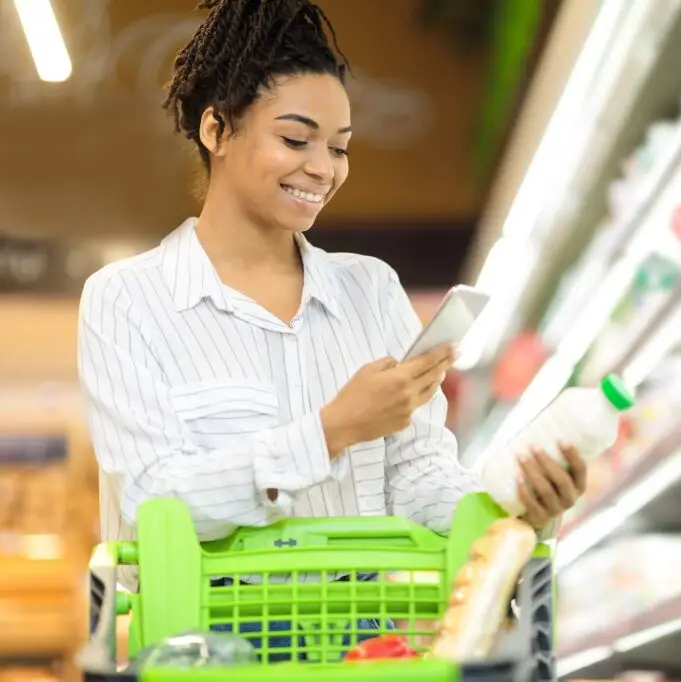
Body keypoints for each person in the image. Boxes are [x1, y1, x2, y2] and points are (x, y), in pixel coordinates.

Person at [77, 0, 587, 640]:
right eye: (295, 140)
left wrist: (515, 510)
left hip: (367, 642)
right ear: (216, 129)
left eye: (339, 147)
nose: (323, 168)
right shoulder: (127, 300)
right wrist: (331, 430)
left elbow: (417, 473)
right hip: (203, 644)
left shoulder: (370, 290)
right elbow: (153, 500)